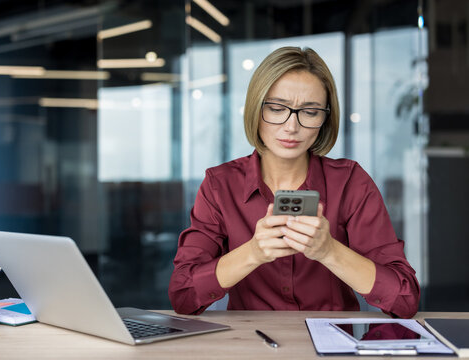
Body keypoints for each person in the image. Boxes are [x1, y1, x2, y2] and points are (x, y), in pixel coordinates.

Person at [168, 46, 420, 318]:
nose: (291, 126)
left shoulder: (350, 182)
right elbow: (183, 295)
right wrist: (253, 252)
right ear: (256, 108)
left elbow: (404, 299)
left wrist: (329, 251)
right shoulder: (220, 185)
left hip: (334, 343)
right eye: (277, 109)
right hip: (251, 343)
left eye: (310, 112)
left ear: (325, 118)